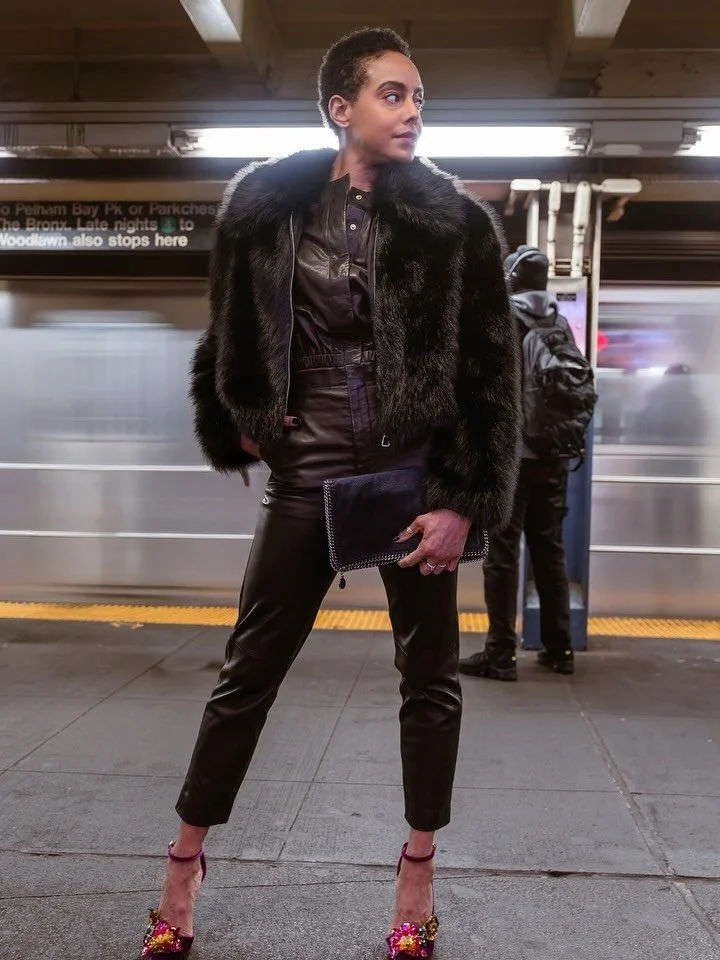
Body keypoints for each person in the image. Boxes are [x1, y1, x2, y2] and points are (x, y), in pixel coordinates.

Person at [140, 27, 520, 960]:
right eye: (394, 95)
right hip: (308, 474)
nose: (414, 113)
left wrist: (463, 497)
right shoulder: (264, 208)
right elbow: (225, 334)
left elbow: (490, 372)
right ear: (340, 108)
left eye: (420, 97)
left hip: (411, 476)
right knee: (246, 675)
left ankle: (417, 870)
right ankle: (182, 865)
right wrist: (242, 415)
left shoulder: (456, 224)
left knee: (428, 679)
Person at [459, 245, 575, 683]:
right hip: (554, 455)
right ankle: (559, 648)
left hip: (515, 458)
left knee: (502, 557)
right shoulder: (560, 323)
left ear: (510, 278)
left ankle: (500, 653)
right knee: (550, 551)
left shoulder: (504, 318)